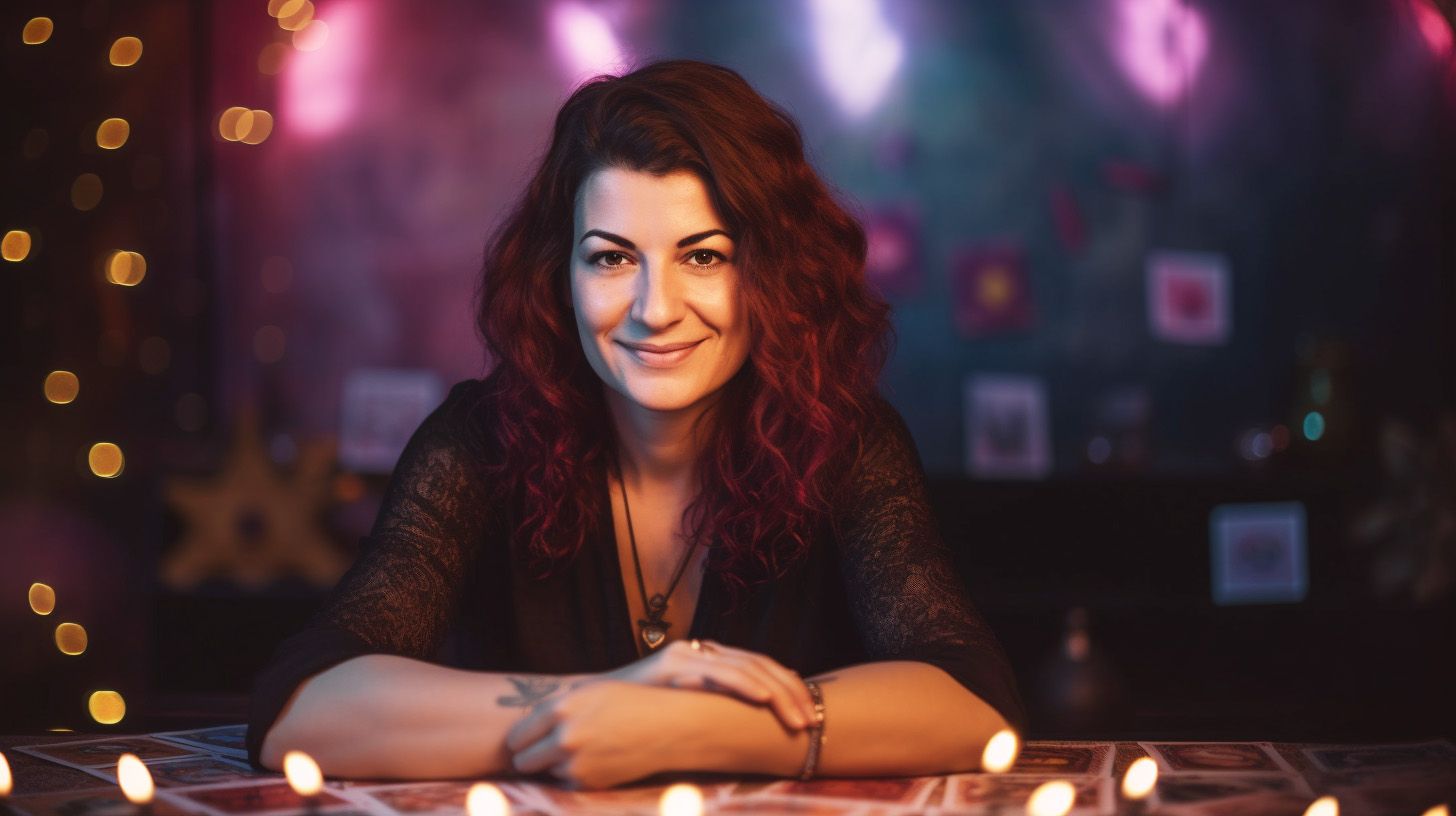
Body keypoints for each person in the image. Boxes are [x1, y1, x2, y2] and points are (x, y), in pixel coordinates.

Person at [246, 59, 1024, 791]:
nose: (654, 310)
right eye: (612, 258)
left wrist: (702, 728)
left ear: (772, 274)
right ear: (561, 276)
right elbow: (302, 709)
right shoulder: (480, 441)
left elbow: (973, 702)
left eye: (704, 257)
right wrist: (606, 704)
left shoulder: (846, 443)